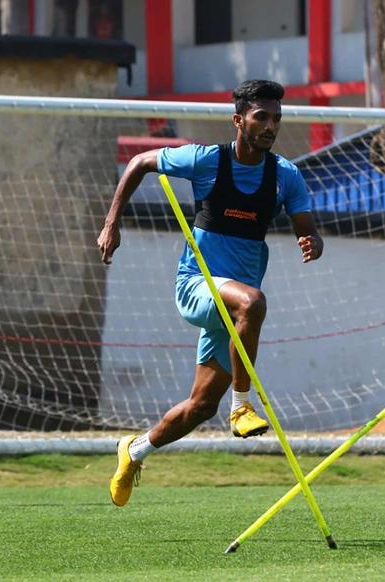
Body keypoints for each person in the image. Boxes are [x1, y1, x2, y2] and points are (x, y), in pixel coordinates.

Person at [97, 79, 323, 507]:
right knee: (253, 302)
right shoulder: (204, 160)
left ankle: (134, 451)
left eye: (276, 118)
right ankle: (242, 407)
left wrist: (312, 242)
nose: (270, 125)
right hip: (198, 285)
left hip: (235, 310)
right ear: (239, 120)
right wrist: (112, 223)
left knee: (201, 406)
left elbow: (306, 228)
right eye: (261, 117)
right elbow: (141, 162)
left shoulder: (285, 175)